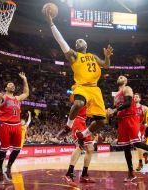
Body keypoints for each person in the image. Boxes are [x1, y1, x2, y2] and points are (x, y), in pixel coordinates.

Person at [45, 11, 113, 147]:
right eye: (76, 42)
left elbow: (106, 65)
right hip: (82, 86)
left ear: (86, 45)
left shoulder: (93, 56)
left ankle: (83, 134)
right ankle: (67, 128)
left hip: (95, 88)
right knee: (78, 104)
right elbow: (61, 41)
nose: (78, 42)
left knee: (102, 121)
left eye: (80, 41)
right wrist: (51, 23)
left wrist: (107, 56)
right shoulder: (74, 56)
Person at [107, 76, 148, 182]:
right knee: (126, 148)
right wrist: (110, 114)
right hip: (122, 121)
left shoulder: (127, 89)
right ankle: (131, 173)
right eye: (118, 77)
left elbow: (127, 104)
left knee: (136, 143)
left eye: (122, 77)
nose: (120, 77)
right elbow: (116, 111)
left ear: (125, 81)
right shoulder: (115, 96)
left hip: (131, 118)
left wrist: (114, 110)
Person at [0, 72, 29, 184]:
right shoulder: (3, 97)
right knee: (4, 150)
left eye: (13, 85)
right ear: (6, 88)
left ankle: (8, 167)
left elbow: (26, 93)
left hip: (17, 125)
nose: (12, 85)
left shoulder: (17, 98)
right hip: (5, 125)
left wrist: (24, 79)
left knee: (17, 149)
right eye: (10, 84)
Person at [62, 105, 95, 187]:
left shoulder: (90, 98)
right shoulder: (81, 94)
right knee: (80, 146)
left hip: (83, 122)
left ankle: (84, 175)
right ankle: (68, 174)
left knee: (90, 148)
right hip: (77, 120)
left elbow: (89, 113)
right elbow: (75, 105)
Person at [134, 93, 148, 171]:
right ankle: (145, 153)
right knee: (138, 146)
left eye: (137, 97)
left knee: (138, 145)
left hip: (141, 128)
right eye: (134, 97)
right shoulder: (131, 108)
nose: (135, 98)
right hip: (133, 128)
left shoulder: (144, 108)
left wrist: (145, 124)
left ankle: (140, 163)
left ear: (139, 99)